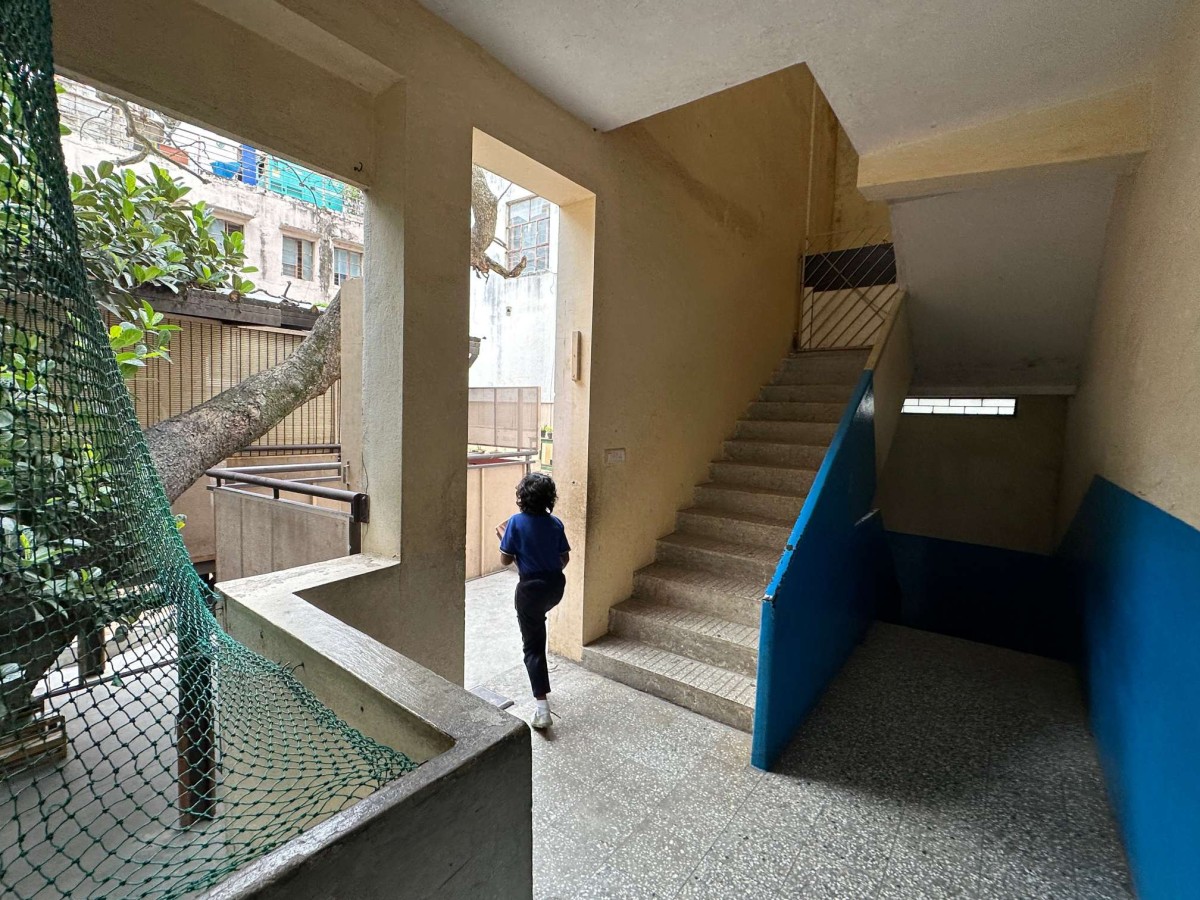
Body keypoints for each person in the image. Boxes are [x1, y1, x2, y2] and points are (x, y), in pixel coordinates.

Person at [495, 472, 570, 730]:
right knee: (539, 623)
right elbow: (564, 560)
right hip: (555, 588)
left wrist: (506, 540)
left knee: (533, 648)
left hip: (530, 591)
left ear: (522, 497)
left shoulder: (515, 523)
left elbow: (505, 560)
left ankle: (542, 710)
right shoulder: (556, 523)